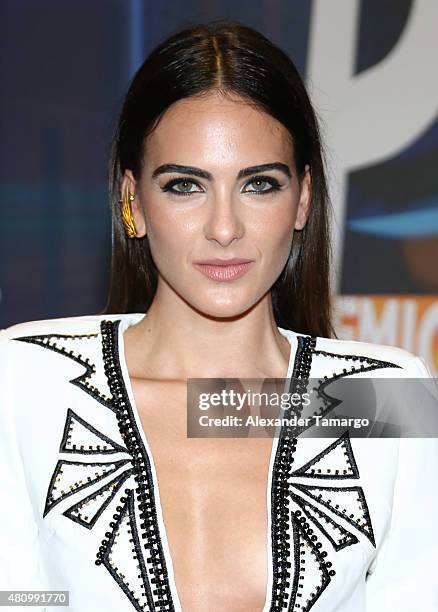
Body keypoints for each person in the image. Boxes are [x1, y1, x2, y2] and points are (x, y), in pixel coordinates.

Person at [0, 19, 437, 612]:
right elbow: (18, 597)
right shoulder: (25, 379)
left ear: (304, 198)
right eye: (186, 185)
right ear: (134, 201)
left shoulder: (386, 398)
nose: (224, 229)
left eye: (259, 184)